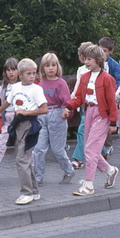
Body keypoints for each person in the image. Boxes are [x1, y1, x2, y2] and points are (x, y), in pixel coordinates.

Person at [0, 57, 48, 204]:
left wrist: (27, 112)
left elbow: (44, 109)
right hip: (17, 124)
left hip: (29, 124)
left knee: (22, 159)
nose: (32, 76)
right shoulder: (16, 87)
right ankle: (33, 190)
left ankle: (26, 192)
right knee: (24, 158)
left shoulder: (36, 89)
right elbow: (7, 102)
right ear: (20, 75)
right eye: (28, 73)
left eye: (34, 73)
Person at [63, 44, 119, 196]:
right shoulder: (84, 77)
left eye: (89, 59)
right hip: (88, 112)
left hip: (102, 115)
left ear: (98, 60)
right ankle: (110, 170)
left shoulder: (107, 79)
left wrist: (113, 122)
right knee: (91, 148)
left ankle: (89, 184)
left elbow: (112, 101)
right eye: (85, 59)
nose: (86, 62)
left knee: (89, 149)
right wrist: (69, 106)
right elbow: (80, 97)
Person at [32, 52, 75, 185]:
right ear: (42, 68)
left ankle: (69, 170)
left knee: (57, 150)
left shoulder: (61, 83)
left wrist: (67, 112)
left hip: (57, 114)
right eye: (47, 65)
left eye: (53, 65)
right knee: (39, 148)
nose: (51, 68)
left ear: (58, 67)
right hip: (42, 115)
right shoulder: (40, 84)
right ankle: (38, 177)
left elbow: (67, 102)